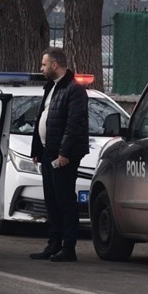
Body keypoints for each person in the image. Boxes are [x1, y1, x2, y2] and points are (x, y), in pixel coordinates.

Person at [28, 48, 89, 262]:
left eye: (44, 64)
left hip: (63, 156)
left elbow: (74, 125)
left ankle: (68, 247)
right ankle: (53, 243)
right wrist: (37, 149)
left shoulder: (74, 90)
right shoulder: (51, 88)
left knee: (65, 200)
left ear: (55, 65)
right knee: (51, 200)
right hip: (48, 152)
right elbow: (42, 119)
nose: (41, 68)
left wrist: (64, 152)